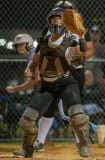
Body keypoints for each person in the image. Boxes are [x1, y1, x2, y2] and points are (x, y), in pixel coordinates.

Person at [16, 7, 90, 158]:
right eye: (53, 18)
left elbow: (81, 54)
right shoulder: (44, 39)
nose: (56, 20)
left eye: (59, 18)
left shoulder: (72, 37)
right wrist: (30, 69)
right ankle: (27, 148)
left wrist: (81, 37)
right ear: (49, 21)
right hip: (47, 84)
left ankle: (83, 145)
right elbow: (36, 59)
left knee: (77, 116)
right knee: (27, 119)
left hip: (65, 81)